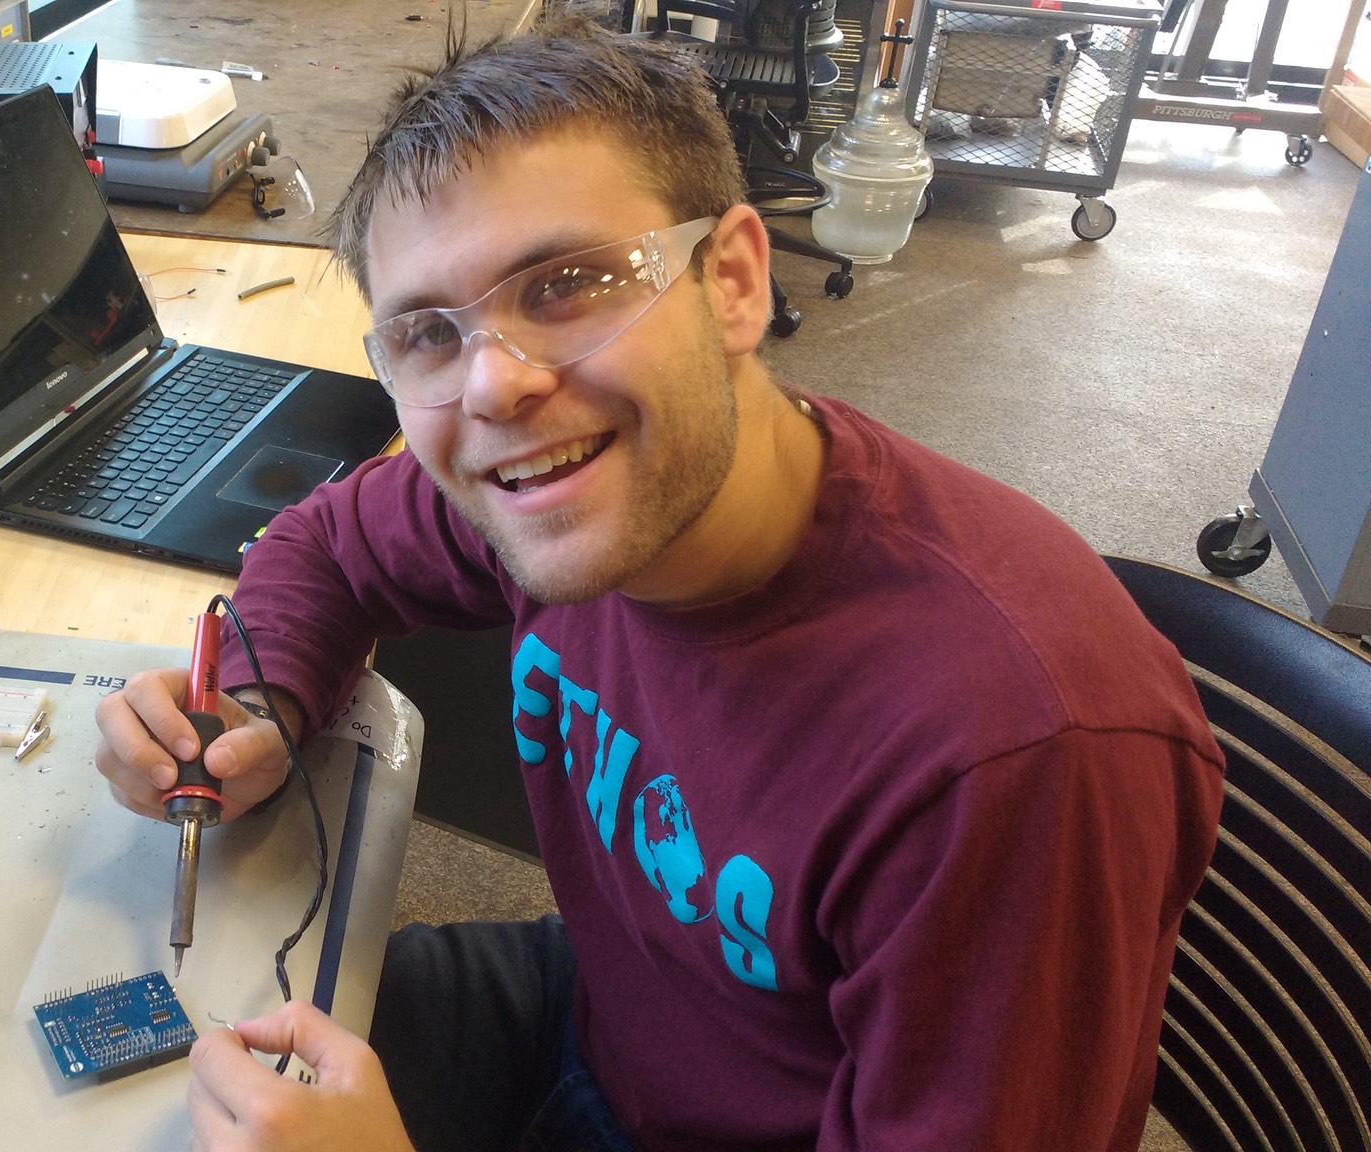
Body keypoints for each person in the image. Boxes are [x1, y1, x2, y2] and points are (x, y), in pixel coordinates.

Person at [94, 12, 1225, 1151]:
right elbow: (327, 544)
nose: (493, 388)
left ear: (731, 280)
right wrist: (260, 707)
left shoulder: (1011, 756)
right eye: (429, 333)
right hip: (615, 1009)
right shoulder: (560, 484)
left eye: (566, 284)